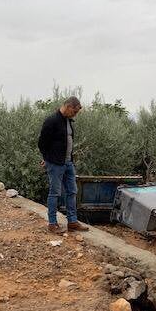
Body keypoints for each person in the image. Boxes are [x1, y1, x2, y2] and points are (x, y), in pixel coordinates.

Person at [38, 96, 89, 233]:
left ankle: (72, 222)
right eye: (75, 112)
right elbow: (42, 143)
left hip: (68, 163)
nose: (75, 115)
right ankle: (52, 224)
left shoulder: (68, 121)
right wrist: (47, 159)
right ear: (68, 107)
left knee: (72, 191)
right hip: (55, 164)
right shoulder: (52, 121)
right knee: (54, 193)